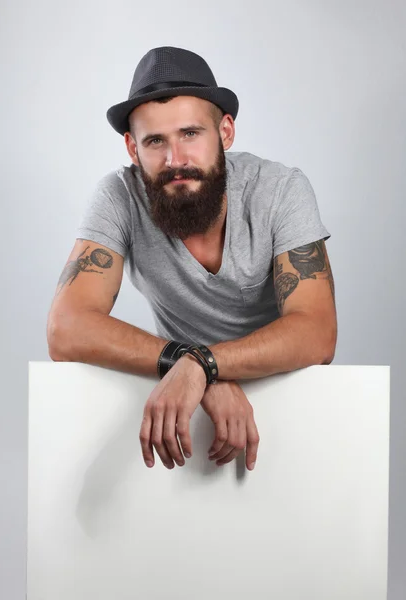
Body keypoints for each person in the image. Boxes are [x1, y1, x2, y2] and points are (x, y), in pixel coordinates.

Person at [47, 46, 337, 473]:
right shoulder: (120, 197)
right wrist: (194, 367)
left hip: (290, 401)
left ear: (225, 132)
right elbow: (66, 329)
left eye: (190, 134)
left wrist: (203, 366)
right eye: (155, 141)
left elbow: (317, 332)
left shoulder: (280, 190)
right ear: (132, 148)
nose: (175, 160)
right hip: (182, 411)